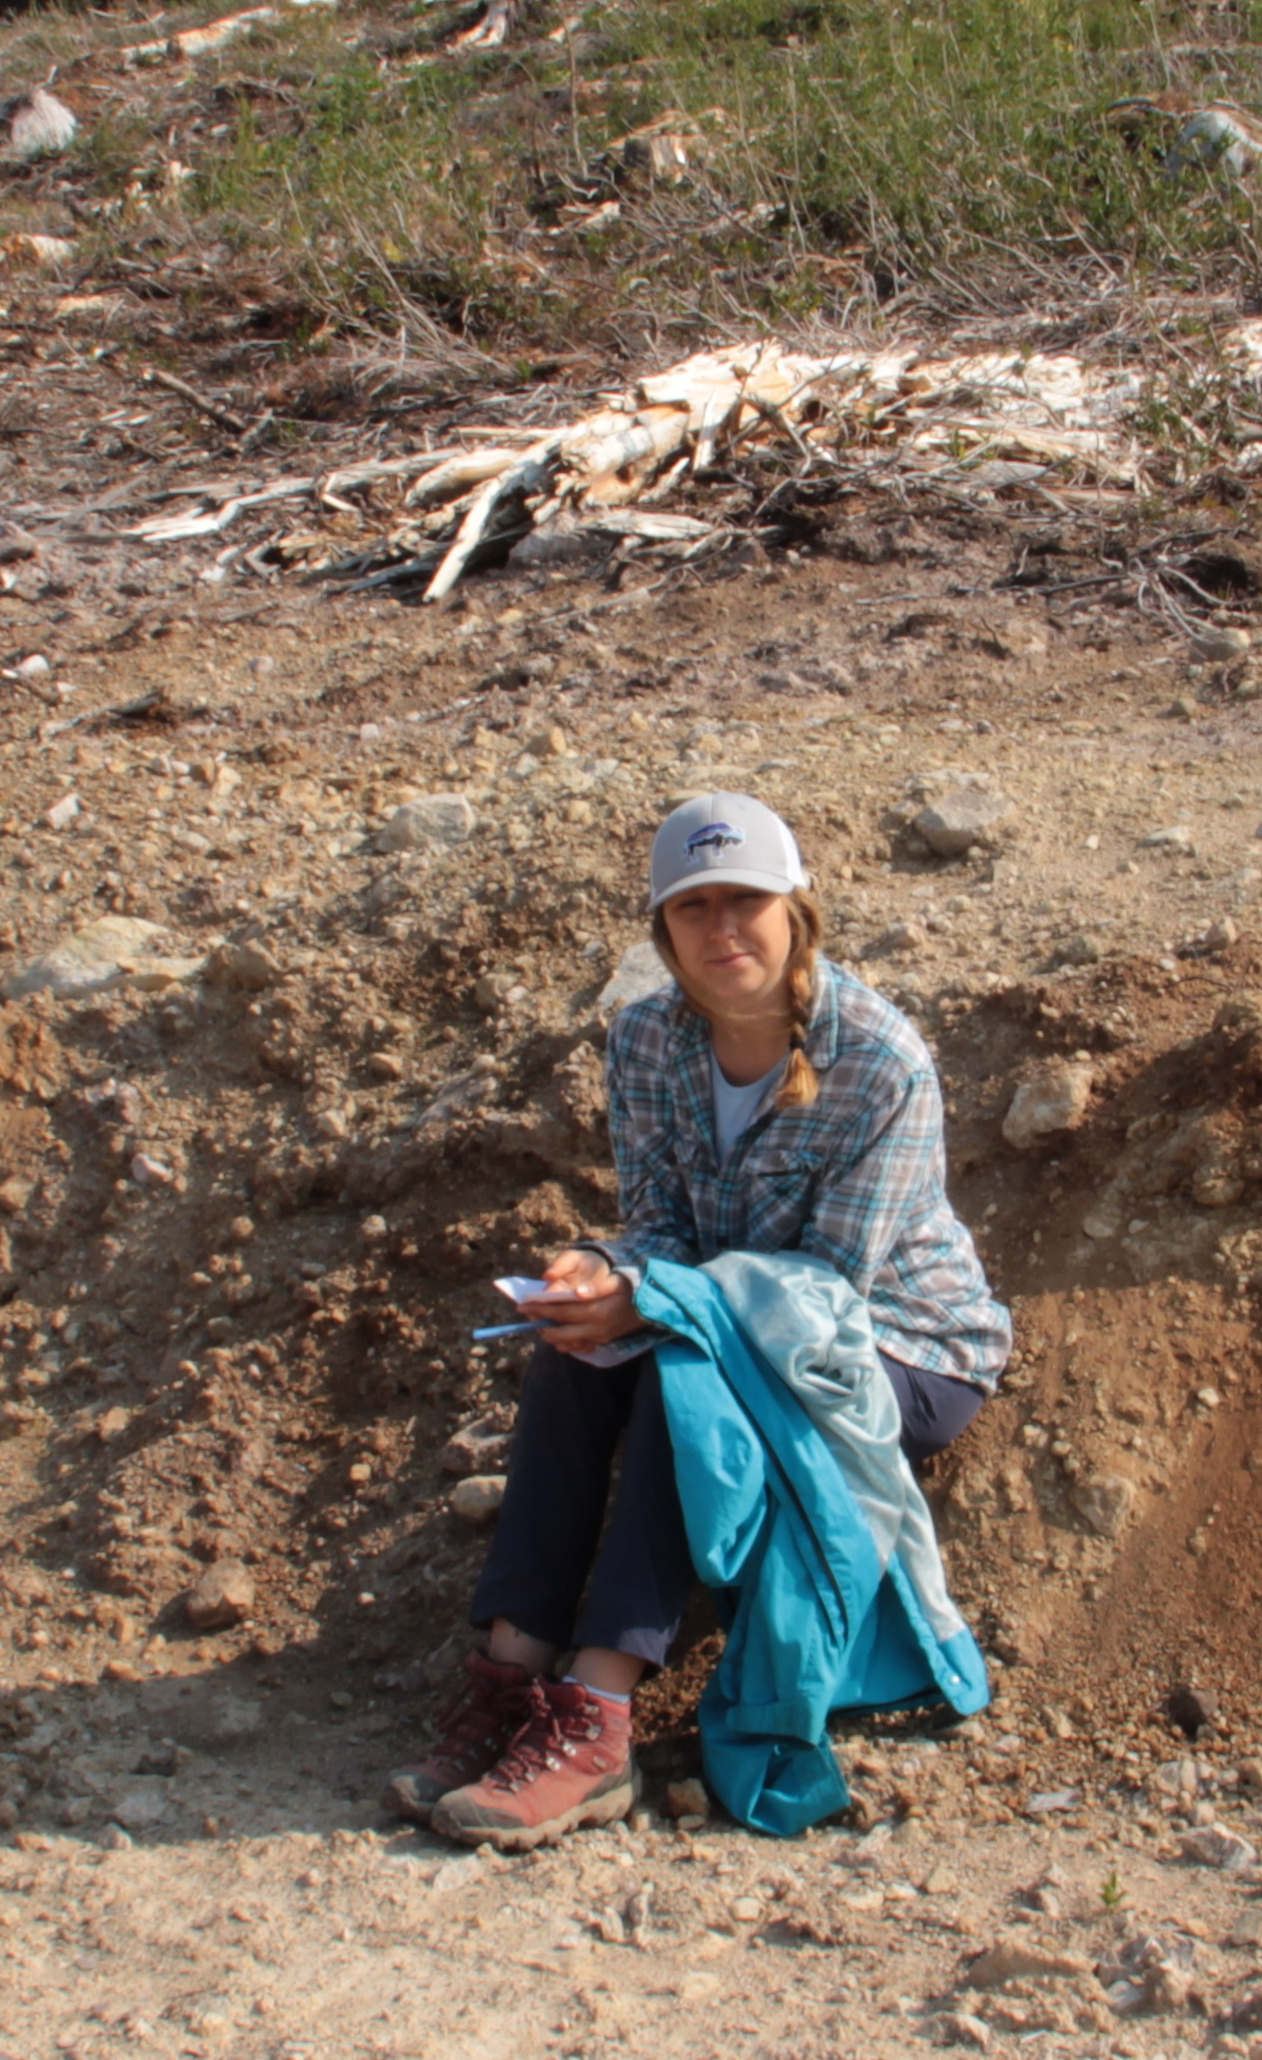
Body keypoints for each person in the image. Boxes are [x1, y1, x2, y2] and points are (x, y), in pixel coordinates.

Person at [392, 792, 1014, 1848]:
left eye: (745, 901)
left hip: (898, 1345)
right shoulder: (645, 1039)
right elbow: (664, 1227)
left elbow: (824, 1294)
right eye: (693, 907)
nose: (721, 929)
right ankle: (510, 1675)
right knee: (573, 1357)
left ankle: (599, 1714)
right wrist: (602, 1270)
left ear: (796, 911)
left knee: (691, 1380)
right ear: (663, 928)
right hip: (739, 1313)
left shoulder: (882, 1062)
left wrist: (654, 1299)